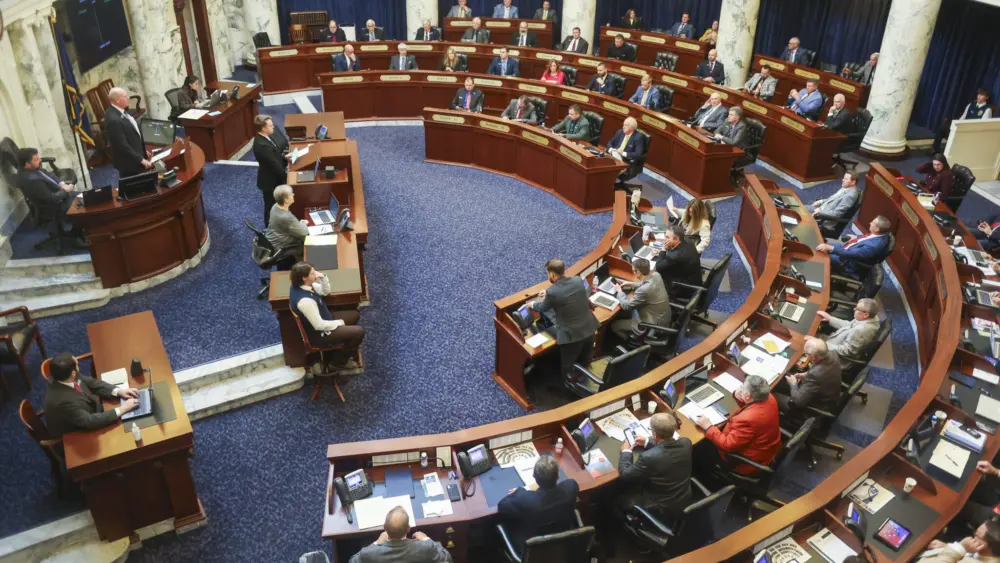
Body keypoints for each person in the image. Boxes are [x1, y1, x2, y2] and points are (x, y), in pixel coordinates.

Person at [694, 374, 782, 475]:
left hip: (746, 461)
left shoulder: (747, 420)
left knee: (701, 445)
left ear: (748, 396)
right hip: (768, 449)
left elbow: (727, 445)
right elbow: (752, 408)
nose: (740, 388)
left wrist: (708, 426)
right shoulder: (769, 397)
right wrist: (740, 397)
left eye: (742, 387)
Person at [528, 258, 600, 380]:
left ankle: (569, 392)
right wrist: (548, 292)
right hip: (589, 328)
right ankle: (585, 380)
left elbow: (542, 307)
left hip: (572, 337)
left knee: (568, 368)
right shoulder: (577, 280)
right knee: (586, 360)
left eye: (547, 274)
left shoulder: (553, 292)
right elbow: (568, 291)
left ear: (552, 274)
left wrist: (531, 304)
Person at [43, 351, 141, 438]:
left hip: (89, 410)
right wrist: (123, 409)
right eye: (77, 363)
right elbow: (90, 421)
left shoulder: (65, 376)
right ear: (73, 373)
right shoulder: (63, 402)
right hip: (76, 433)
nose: (78, 363)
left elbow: (91, 383)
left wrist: (118, 391)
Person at [497, 456, 579, 555]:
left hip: (533, 550)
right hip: (563, 543)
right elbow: (567, 483)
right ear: (557, 476)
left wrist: (520, 491)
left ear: (534, 477)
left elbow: (501, 506)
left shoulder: (524, 499)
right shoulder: (571, 487)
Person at [289, 262, 364, 370]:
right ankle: (337, 363)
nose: (315, 274)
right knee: (359, 332)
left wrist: (323, 278)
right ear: (304, 278)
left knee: (354, 315)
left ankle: (346, 344)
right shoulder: (305, 302)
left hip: (325, 318)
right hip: (320, 334)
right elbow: (319, 325)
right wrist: (339, 323)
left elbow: (325, 291)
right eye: (312, 273)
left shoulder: (303, 285)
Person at [616, 412, 692, 518]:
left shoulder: (648, 457)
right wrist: (647, 441)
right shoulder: (686, 443)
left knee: (619, 498)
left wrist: (626, 452)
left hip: (662, 506)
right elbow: (668, 445)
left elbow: (625, 475)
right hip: (684, 496)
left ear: (655, 434)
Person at [16, 148, 84, 245]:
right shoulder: (32, 181)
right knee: (83, 205)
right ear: (27, 164)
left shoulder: (34, 169)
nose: (40, 160)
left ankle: (76, 231)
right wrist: (66, 190)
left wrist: (62, 184)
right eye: (36, 159)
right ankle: (78, 235)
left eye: (38, 157)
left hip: (59, 196)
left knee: (83, 196)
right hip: (53, 207)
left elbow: (50, 175)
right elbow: (51, 198)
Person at [348, 506, 452, 563]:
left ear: (384, 528)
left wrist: (377, 542)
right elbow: (447, 558)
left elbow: (352, 561)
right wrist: (426, 539)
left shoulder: (368, 554)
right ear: (408, 529)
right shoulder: (426, 548)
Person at [610, 257, 672, 342]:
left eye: (633, 271)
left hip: (649, 324)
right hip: (664, 316)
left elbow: (627, 306)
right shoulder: (656, 275)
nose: (633, 273)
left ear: (638, 272)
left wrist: (619, 291)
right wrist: (631, 284)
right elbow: (646, 283)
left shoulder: (643, 290)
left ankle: (630, 343)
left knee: (614, 325)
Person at [776, 337, 841, 414]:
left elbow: (798, 401)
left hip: (818, 404)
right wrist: (804, 374)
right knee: (784, 378)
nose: (805, 354)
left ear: (814, 357)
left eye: (806, 353)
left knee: (771, 393)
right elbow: (822, 371)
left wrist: (793, 384)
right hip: (830, 393)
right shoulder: (832, 354)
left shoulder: (816, 375)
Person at [815, 215, 893, 280]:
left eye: (873, 223)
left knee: (820, 255)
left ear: (877, 229)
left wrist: (830, 248)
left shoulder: (872, 247)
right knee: (822, 244)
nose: (870, 223)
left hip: (846, 262)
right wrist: (856, 237)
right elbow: (869, 238)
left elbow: (849, 253)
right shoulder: (882, 234)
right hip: (848, 248)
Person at [104, 87, 151, 178]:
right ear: (118, 100)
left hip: (134, 158)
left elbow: (131, 133)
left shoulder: (119, 111)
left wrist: (142, 149)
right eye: (125, 96)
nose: (128, 98)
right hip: (129, 164)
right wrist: (140, 159)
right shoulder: (113, 120)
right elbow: (122, 145)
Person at [252, 115, 290, 225]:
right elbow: (274, 165)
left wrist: (285, 158)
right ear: (263, 128)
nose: (273, 126)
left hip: (272, 177)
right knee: (270, 206)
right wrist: (289, 177)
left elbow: (275, 156)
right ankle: (269, 229)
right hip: (270, 181)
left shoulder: (266, 138)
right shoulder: (262, 145)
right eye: (270, 125)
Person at [817, 298, 879, 364]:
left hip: (836, 356)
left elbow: (845, 351)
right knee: (814, 335)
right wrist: (830, 318)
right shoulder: (870, 318)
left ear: (866, 315)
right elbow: (849, 325)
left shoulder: (861, 330)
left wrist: (822, 345)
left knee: (808, 342)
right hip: (835, 341)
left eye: (857, 309)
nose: (854, 309)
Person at [932, 88, 994, 153]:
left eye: (982, 95)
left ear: (987, 97)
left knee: (952, 135)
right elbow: (963, 117)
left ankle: (948, 153)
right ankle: (935, 151)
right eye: (978, 94)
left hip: (970, 132)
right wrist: (957, 125)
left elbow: (982, 126)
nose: (979, 96)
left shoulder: (987, 109)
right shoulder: (971, 104)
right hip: (962, 128)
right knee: (942, 129)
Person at [922, 518, 1000, 563]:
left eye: (977, 535)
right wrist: (947, 546)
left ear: (984, 545)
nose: (973, 536)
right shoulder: (986, 554)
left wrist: (959, 547)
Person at [265, 185, 308, 262]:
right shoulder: (286, 217)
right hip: (281, 246)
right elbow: (304, 232)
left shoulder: (275, 206)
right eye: (291, 194)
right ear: (286, 200)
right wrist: (303, 224)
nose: (293, 194)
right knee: (306, 243)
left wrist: (298, 223)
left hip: (273, 239)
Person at [653, 224, 701, 289]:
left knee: (656, 274)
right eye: (665, 236)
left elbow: (658, 267)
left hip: (685, 286)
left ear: (676, 239)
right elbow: (675, 251)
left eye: (667, 237)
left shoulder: (676, 256)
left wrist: (663, 250)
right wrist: (663, 252)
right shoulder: (687, 240)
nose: (664, 239)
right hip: (694, 277)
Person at [608, 117, 647, 182]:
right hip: (614, 156)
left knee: (609, 173)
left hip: (626, 161)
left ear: (631, 128)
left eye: (625, 125)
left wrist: (623, 153)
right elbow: (610, 142)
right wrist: (611, 149)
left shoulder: (638, 137)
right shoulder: (620, 132)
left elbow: (638, 154)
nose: (623, 127)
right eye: (623, 125)